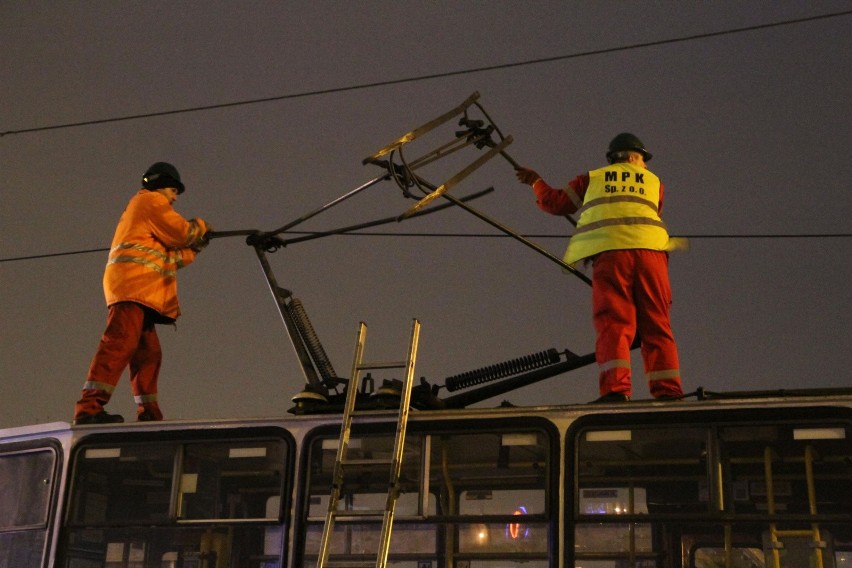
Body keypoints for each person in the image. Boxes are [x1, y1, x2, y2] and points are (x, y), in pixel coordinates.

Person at [516, 133, 684, 403]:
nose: (644, 165)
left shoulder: (592, 179)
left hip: (612, 256)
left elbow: (556, 203)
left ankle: (616, 391)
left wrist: (535, 181)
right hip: (652, 257)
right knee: (657, 325)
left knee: (615, 325)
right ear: (632, 157)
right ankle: (669, 393)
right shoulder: (656, 183)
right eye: (643, 159)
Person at [73, 162, 211, 425]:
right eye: (173, 189)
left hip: (141, 291)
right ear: (160, 186)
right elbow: (182, 233)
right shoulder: (151, 202)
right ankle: (89, 407)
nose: (175, 196)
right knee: (119, 343)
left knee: (148, 354)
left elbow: (171, 258)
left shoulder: (149, 213)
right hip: (133, 288)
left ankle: (149, 415)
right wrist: (201, 227)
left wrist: (197, 247)